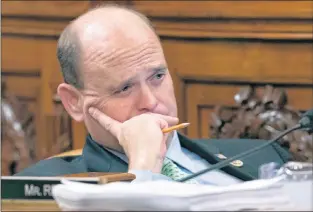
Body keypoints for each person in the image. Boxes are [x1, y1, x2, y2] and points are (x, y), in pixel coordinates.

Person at [16, 5, 291, 185]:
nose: (151, 102)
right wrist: (144, 168)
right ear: (74, 103)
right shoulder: (44, 188)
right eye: (124, 88)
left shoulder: (267, 155)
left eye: (157, 77)